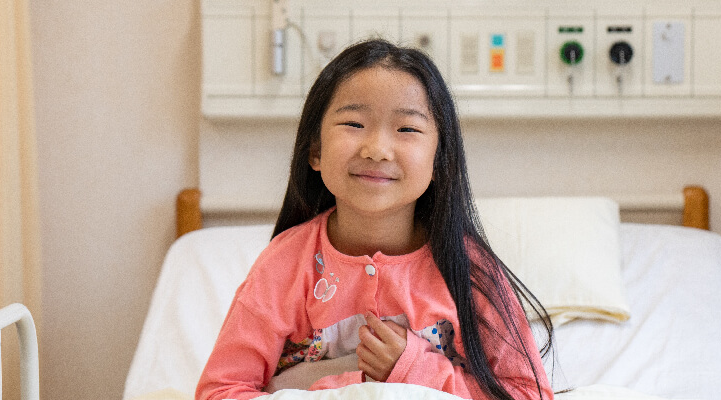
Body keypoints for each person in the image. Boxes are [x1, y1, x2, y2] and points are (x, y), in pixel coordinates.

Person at [194, 39, 554, 400]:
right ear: (315, 151)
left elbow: (529, 394)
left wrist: (414, 365)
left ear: (438, 161)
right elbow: (220, 391)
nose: (377, 149)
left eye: (407, 129)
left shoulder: (469, 270)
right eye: (353, 123)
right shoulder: (284, 265)